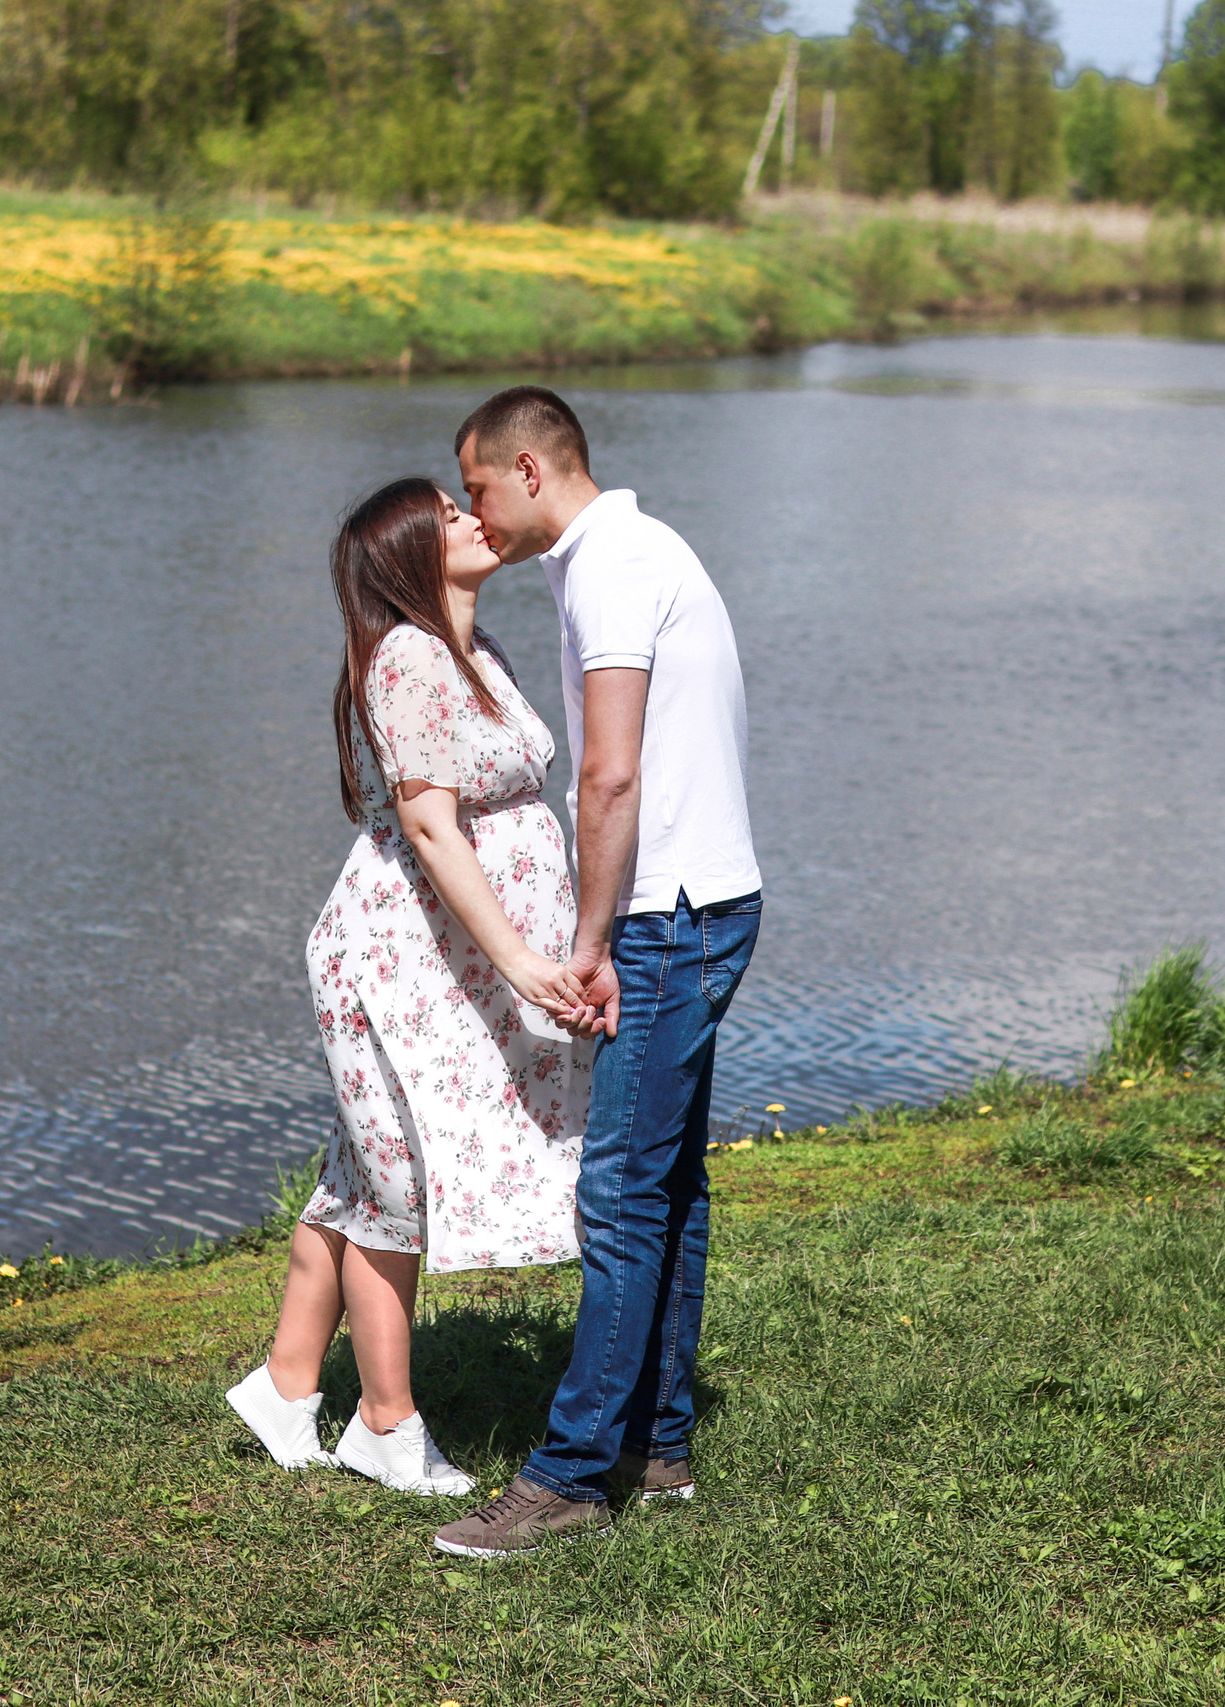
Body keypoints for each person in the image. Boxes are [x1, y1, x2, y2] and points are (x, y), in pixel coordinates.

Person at [434, 387, 763, 1558]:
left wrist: (588, 942)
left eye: (474, 487)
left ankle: (570, 1477)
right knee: (668, 1186)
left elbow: (609, 779)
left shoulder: (615, 563)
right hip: (706, 900)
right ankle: (655, 1444)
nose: (470, 511)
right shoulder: (621, 551)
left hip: (670, 915)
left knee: (619, 1195)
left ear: (529, 468)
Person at [226, 476, 593, 1496]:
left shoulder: (480, 654)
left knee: (359, 1169)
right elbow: (430, 827)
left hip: (445, 961)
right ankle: (385, 1424)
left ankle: (286, 1385)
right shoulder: (407, 661)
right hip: (393, 963)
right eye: (450, 513)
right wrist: (522, 962)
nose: (475, 518)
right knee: (399, 1181)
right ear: (413, 558)